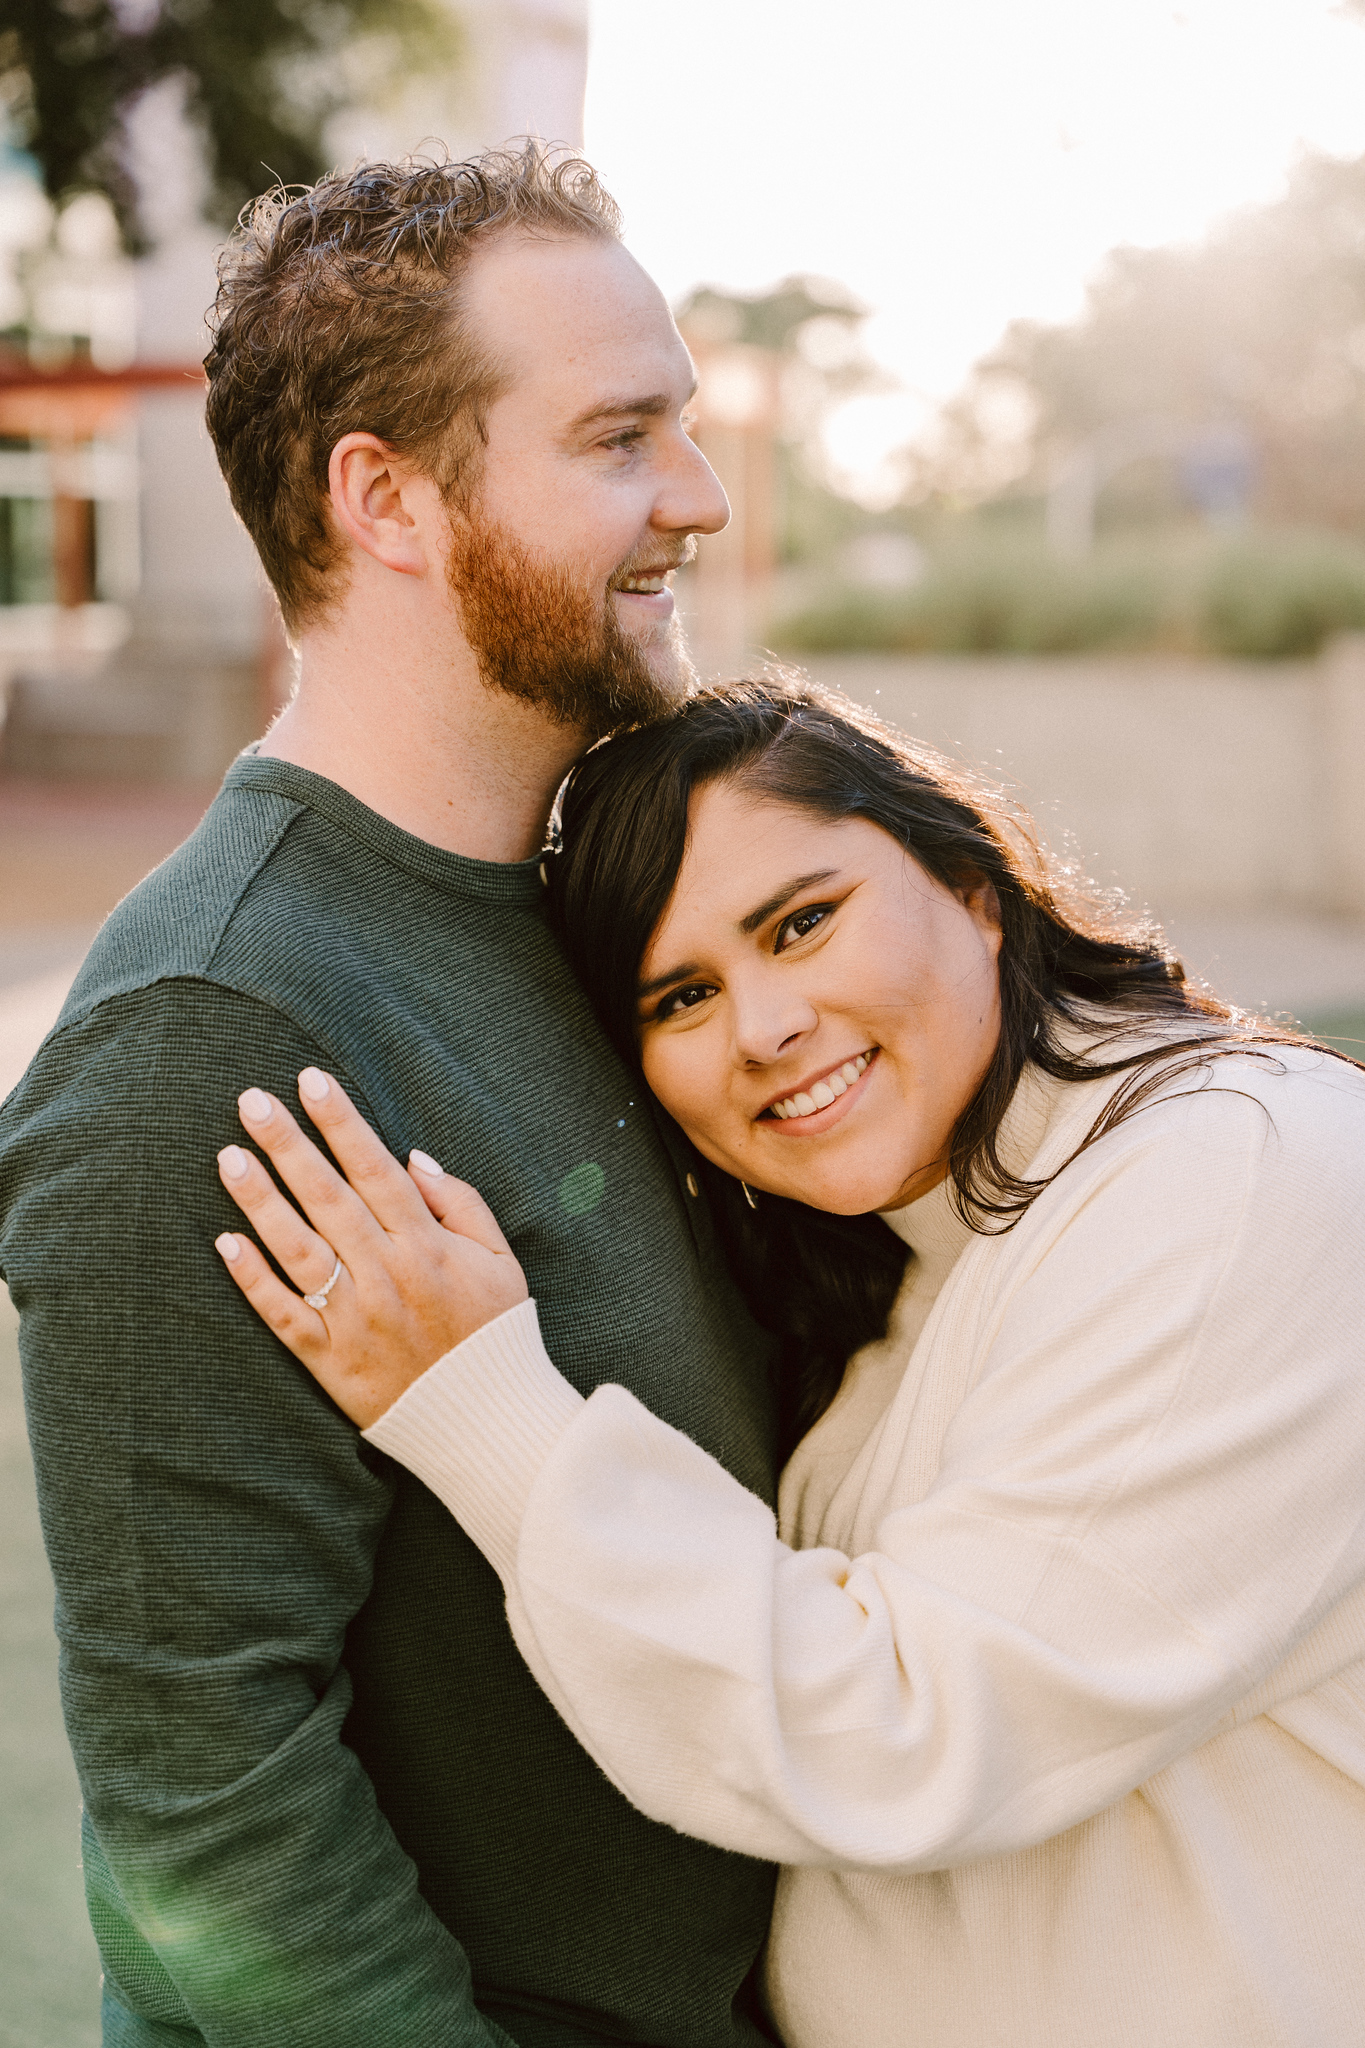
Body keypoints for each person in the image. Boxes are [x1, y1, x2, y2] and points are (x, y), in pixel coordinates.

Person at [216, 680, 1365, 2048]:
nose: (761, 1028)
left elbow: (897, 1733)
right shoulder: (913, 1258)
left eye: (801, 923)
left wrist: (479, 1406)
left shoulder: (1238, 1175)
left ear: (975, 890)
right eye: (682, 996)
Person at [0, 150, 785, 2048]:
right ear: (388, 500)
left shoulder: (585, 903)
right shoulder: (207, 1032)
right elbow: (212, 1815)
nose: (698, 495)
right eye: (618, 438)